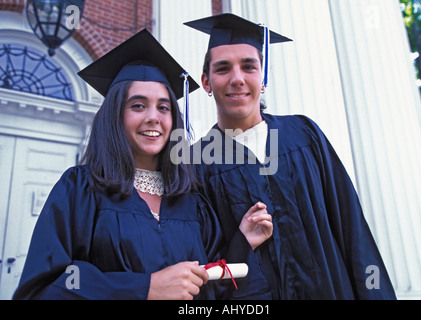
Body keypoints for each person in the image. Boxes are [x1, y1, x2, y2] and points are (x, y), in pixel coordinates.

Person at [12, 29, 273, 300]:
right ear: (115, 115)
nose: (153, 118)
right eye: (138, 106)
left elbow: (210, 285)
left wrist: (242, 242)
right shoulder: (81, 189)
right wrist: (143, 288)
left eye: (163, 108)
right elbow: (44, 288)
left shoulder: (191, 201)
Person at [185, 13, 397, 300]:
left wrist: (375, 294)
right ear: (206, 83)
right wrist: (242, 242)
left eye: (249, 66)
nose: (237, 78)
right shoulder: (196, 165)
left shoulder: (304, 134)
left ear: (263, 77)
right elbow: (202, 262)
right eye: (223, 69)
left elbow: (352, 229)